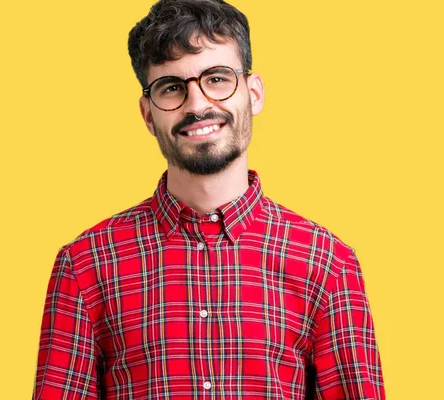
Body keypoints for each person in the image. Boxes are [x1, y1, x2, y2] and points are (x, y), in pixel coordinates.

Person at [32, 0, 385, 398]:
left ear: (253, 94)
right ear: (148, 115)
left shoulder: (327, 264)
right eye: (172, 88)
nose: (197, 105)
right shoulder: (86, 265)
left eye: (217, 79)